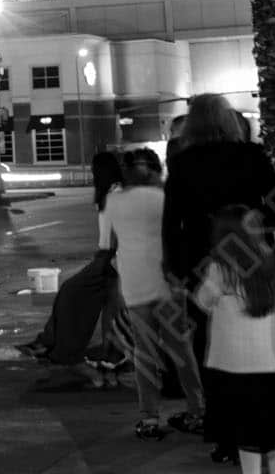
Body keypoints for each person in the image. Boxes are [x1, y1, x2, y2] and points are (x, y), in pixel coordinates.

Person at [162, 92, 275, 463]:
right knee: (267, 346)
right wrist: (257, 230)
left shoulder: (184, 164)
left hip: (204, 266)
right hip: (254, 261)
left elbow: (172, 223)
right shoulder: (251, 155)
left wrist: (176, 267)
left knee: (215, 351)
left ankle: (228, 436)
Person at [107, 148, 205, 440]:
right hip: (168, 282)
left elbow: (110, 242)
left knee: (144, 353)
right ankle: (197, 410)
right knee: (182, 349)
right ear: (155, 168)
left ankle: (149, 417)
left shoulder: (113, 200)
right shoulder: (165, 199)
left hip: (135, 283)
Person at [196, 205, 275, 474]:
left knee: (246, 437)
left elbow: (203, 301)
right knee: (274, 437)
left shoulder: (220, 269)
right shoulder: (267, 261)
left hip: (233, 368)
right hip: (268, 366)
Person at [20, 150, 124, 383]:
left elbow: (117, 229)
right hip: (108, 258)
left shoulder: (116, 193)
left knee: (71, 293)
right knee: (109, 311)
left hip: (109, 258)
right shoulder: (110, 192)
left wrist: (111, 258)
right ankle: (101, 358)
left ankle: (59, 347)